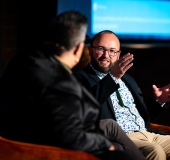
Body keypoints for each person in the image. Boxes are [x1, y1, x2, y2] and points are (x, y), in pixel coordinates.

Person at [0, 11, 145, 160]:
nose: (105, 54)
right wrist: (107, 145)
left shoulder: (23, 58)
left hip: (11, 139)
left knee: (111, 129)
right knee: (120, 154)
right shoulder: (62, 82)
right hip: (39, 146)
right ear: (79, 49)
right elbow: (71, 137)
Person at [73, 30, 170, 160]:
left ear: (118, 55)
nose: (106, 55)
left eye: (112, 51)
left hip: (147, 133)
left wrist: (157, 102)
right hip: (120, 137)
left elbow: (142, 117)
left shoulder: (128, 79)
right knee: (155, 152)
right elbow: (87, 107)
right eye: (101, 49)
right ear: (90, 50)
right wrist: (112, 78)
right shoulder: (79, 78)